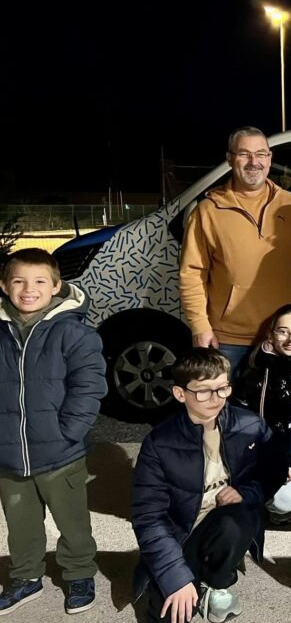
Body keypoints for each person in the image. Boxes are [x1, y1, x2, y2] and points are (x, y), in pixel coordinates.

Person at [132, 348, 277, 623]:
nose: (216, 399)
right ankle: (187, 577)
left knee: (236, 521)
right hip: (182, 534)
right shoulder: (159, 443)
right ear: (179, 394)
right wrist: (176, 577)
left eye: (222, 388)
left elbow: (273, 472)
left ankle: (217, 581)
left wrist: (247, 492)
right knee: (168, 613)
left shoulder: (250, 425)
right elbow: (148, 517)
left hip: (226, 522)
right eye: (203, 391)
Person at [0, 248, 106, 616]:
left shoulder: (73, 332)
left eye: (39, 281)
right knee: (20, 523)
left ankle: (79, 573)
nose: (29, 289)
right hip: (9, 453)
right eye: (19, 281)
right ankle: (25, 576)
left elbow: (89, 385)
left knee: (73, 522)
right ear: (4, 285)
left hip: (62, 452)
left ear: (57, 286)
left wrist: (70, 432)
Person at [179, 126, 291, 373]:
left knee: (280, 410)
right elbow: (192, 274)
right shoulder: (208, 212)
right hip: (227, 339)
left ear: (270, 158)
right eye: (244, 154)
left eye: (261, 154)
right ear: (230, 158)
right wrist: (200, 326)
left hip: (285, 338)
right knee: (225, 408)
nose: (254, 162)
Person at [232, 304, 291, 525]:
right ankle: (280, 509)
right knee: (284, 499)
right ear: (271, 334)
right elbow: (244, 424)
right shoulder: (257, 367)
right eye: (283, 331)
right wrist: (278, 462)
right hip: (275, 452)